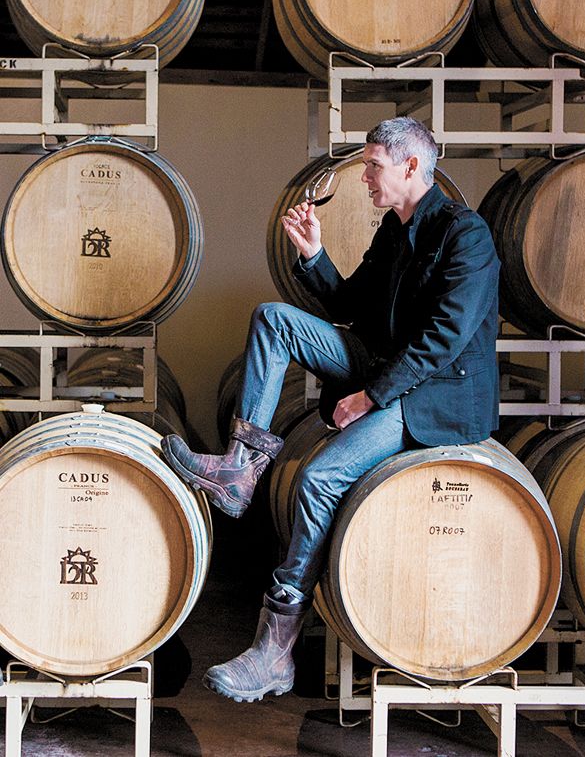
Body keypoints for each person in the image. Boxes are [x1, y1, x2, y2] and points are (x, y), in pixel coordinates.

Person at [161, 116, 501, 702]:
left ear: (411, 166)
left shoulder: (464, 235)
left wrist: (369, 397)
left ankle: (275, 651)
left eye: (373, 165)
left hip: (440, 393)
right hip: (386, 363)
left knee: (319, 478)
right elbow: (349, 303)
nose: (364, 176)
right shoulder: (396, 231)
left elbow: (444, 339)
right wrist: (314, 253)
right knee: (274, 317)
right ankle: (243, 467)